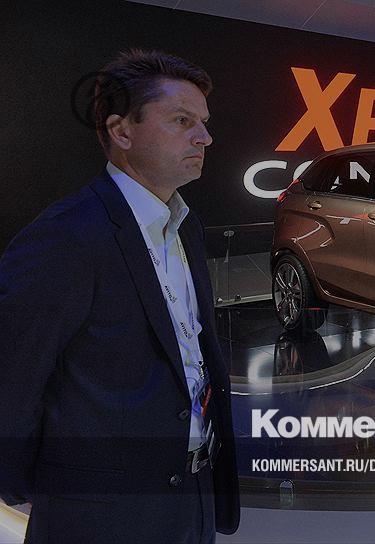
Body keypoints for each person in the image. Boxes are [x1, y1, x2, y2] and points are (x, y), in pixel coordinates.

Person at [0, 49, 239, 542]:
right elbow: (14, 373)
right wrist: (36, 487)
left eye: (204, 122)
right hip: (101, 512)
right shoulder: (68, 234)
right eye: (182, 120)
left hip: (191, 492)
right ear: (122, 131)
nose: (204, 137)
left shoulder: (186, 227)